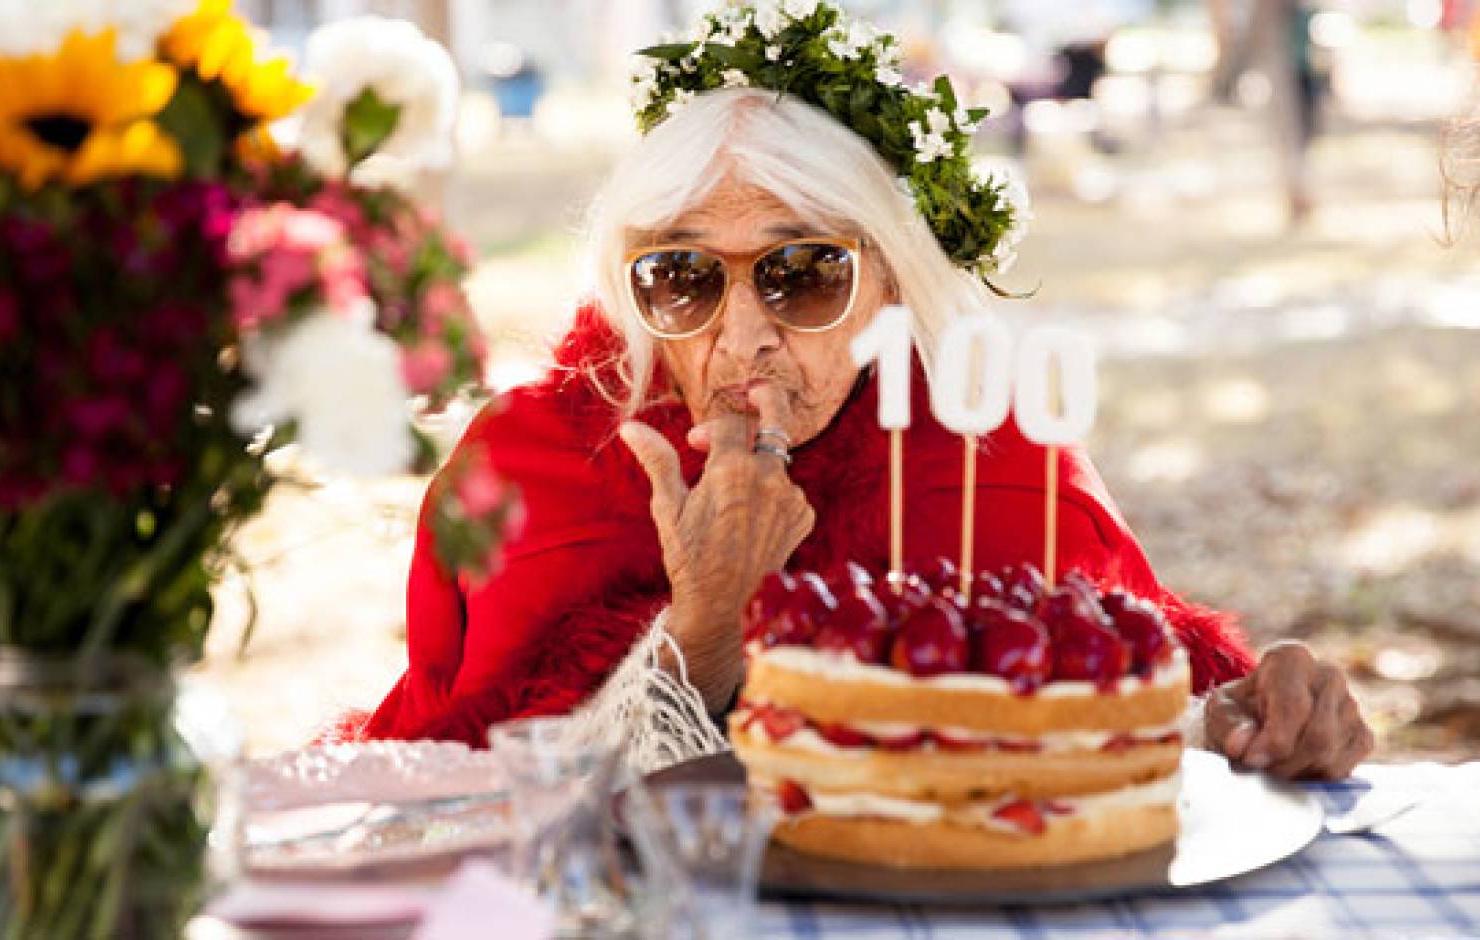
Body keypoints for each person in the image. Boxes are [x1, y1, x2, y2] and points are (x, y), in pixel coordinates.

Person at [354, 0, 1372, 781]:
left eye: (802, 273)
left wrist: (1249, 716)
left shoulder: (988, 451)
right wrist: (707, 623)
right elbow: (474, 808)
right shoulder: (529, 464)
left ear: (889, 277)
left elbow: (1116, 736)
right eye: (682, 275)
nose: (741, 335)